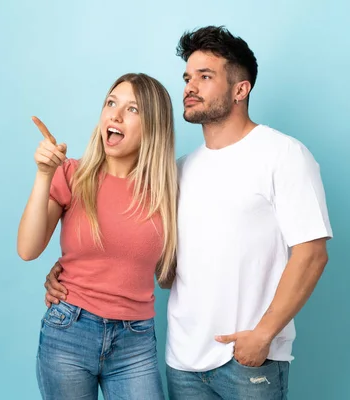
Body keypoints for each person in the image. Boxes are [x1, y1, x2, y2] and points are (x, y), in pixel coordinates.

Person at [44, 26, 333, 399]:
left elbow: (312, 255)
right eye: (187, 77)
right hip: (182, 362)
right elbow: (155, 263)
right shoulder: (175, 172)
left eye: (205, 76)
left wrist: (263, 335)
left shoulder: (283, 155)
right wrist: (67, 275)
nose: (189, 87)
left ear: (240, 90)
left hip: (248, 360)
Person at [17, 73, 178, 399]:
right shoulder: (73, 174)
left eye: (132, 109)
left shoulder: (166, 192)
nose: (115, 115)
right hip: (69, 330)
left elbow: (171, 272)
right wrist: (44, 175)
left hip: (135, 340)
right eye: (111, 103)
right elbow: (27, 249)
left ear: (153, 126)